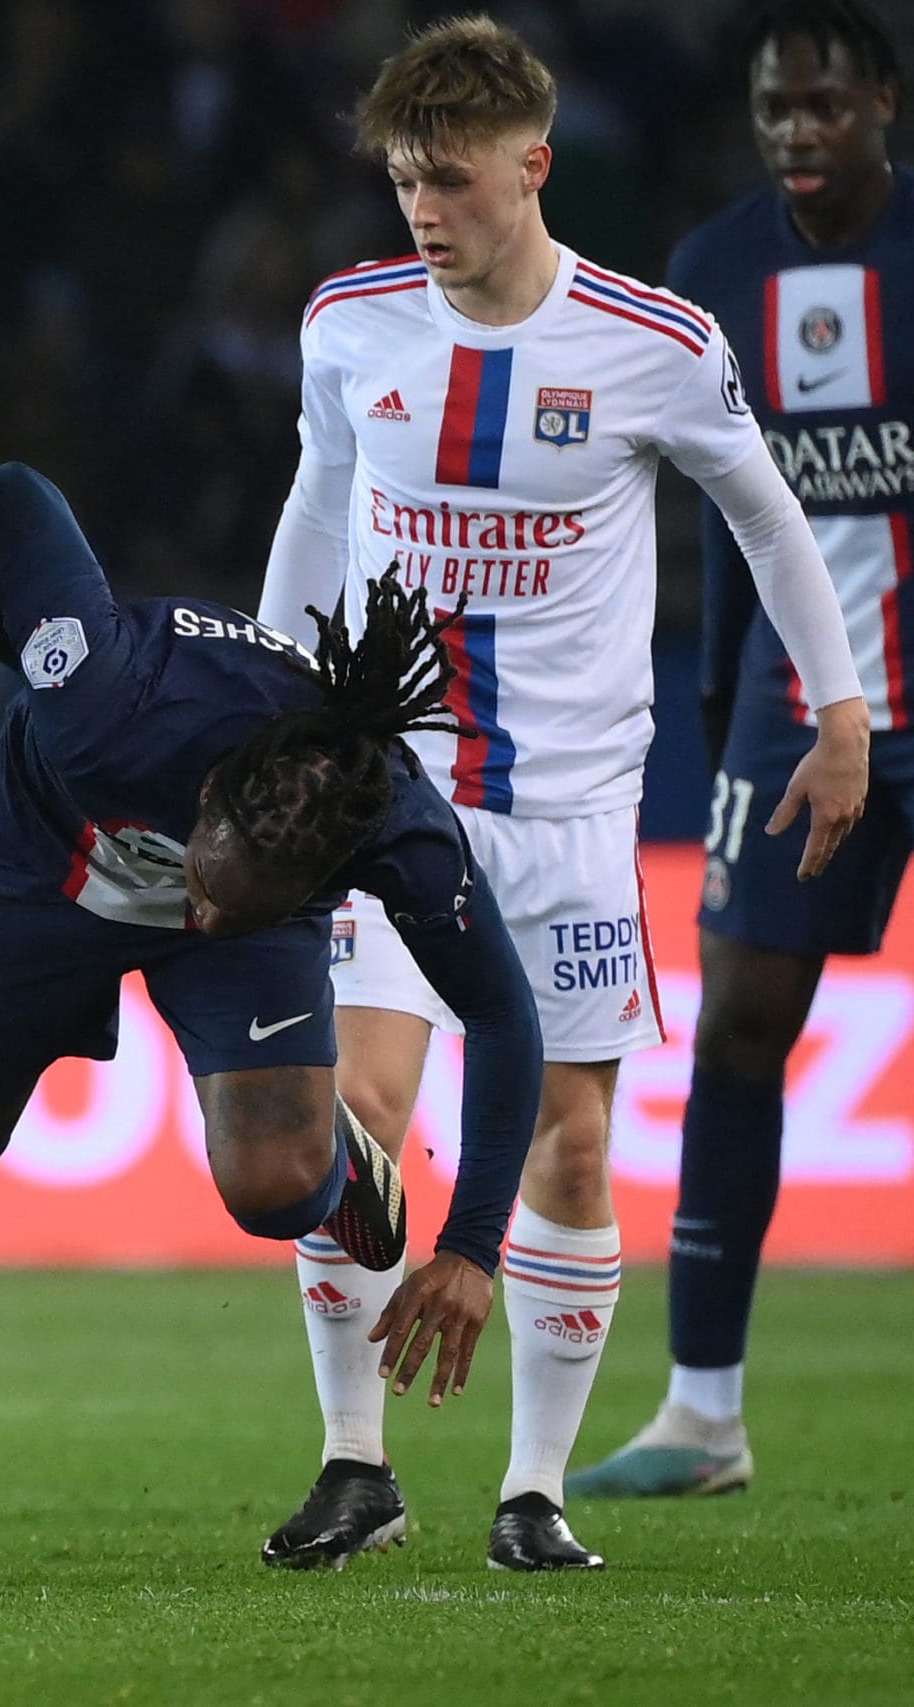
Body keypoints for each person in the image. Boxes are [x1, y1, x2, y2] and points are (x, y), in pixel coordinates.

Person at [254, 14, 869, 1570]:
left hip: (575, 812)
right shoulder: (349, 323)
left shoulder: (652, 343)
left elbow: (771, 519)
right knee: (359, 1116)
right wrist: (268, 700)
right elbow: (317, 507)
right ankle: (353, 1461)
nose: (421, 209)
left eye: (449, 181)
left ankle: (532, 1491)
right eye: (403, 181)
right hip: (391, 797)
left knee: (568, 1150)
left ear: (532, 167)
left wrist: (840, 710)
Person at [0, 461, 545, 1577]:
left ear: (325, 882)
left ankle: (339, 1165)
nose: (195, 902)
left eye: (222, 902)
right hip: (52, 861)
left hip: (250, 936)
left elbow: (504, 1019)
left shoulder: (393, 833)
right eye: (201, 879)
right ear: (210, 797)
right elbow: (17, 500)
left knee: (274, 1191)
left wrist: (474, 1249)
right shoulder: (105, 697)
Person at [576, 0, 911, 1501]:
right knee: (734, 1034)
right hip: (793, 714)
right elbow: (712, 522)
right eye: (778, 110)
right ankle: (703, 1411)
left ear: (884, 105)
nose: (798, 132)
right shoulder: (713, 276)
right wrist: (717, 707)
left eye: (825, 106)